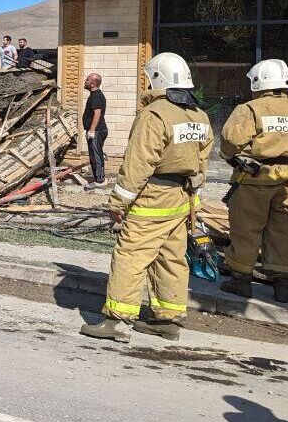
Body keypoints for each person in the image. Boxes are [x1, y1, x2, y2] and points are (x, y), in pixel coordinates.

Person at [80, 52, 212, 343]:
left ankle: (116, 321)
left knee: (131, 256)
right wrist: (196, 199)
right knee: (171, 258)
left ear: (157, 79)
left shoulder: (154, 115)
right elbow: (202, 162)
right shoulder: (199, 116)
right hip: (181, 200)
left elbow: (138, 164)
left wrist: (117, 202)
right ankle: (167, 320)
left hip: (152, 199)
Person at [217, 59, 288, 303]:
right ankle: (282, 284)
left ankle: (241, 279)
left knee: (246, 227)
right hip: (285, 177)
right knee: (281, 228)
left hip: (254, 176)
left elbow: (230, 141)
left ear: (259, 81)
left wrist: (233, 156)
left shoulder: (250, 108)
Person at [83, 73, 108, 189]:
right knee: (93, 155)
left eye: (87, 80)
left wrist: (91, 131)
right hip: (95, 130)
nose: (85, 81)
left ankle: (100, 180)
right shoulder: (94, 95)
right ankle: (98, 177)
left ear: (93, 83)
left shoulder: (96, 96)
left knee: (96, 155)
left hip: (97, 131)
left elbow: (97, 114)